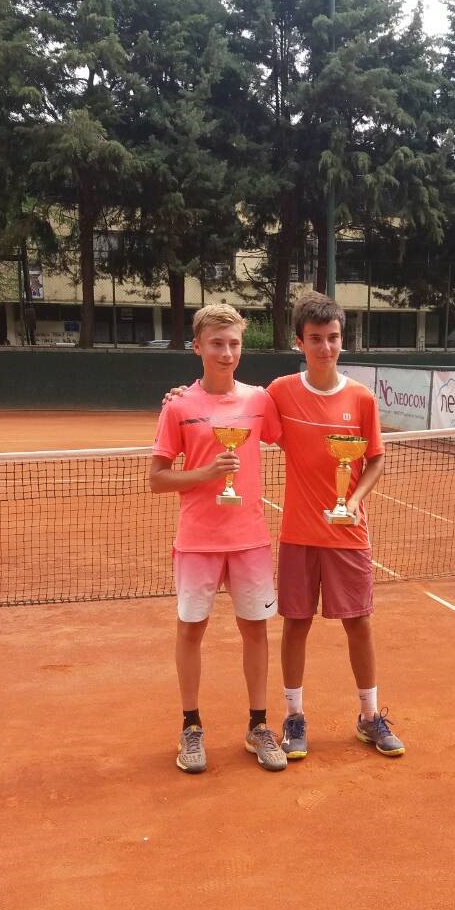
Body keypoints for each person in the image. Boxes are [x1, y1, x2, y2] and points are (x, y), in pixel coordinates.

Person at [149, 303, 287, 775]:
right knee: (191, 630)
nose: (226, 353)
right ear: (197, 347)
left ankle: (258, 725)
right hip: (197, 540)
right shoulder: (178, 406)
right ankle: (191, 727)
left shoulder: (260, 401)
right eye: (216, 344)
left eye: (233, 344)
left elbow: (289, 435)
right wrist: (206, 473)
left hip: (250, 538)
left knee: (256, 630)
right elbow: (157, 478)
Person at [269, 291, 405, 760]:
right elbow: (238, 411)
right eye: (315, 339)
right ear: (299, 342)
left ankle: (369, 716)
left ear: (342, 339)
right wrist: (182, 393)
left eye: (332, 337)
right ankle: (294, 716)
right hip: (298, 534)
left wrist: (353, 500)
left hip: (348, 533)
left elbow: (375, 459)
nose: (325, 347)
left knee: (359, 623)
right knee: (296, 624)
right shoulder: (280, 392)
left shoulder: (361, 398)